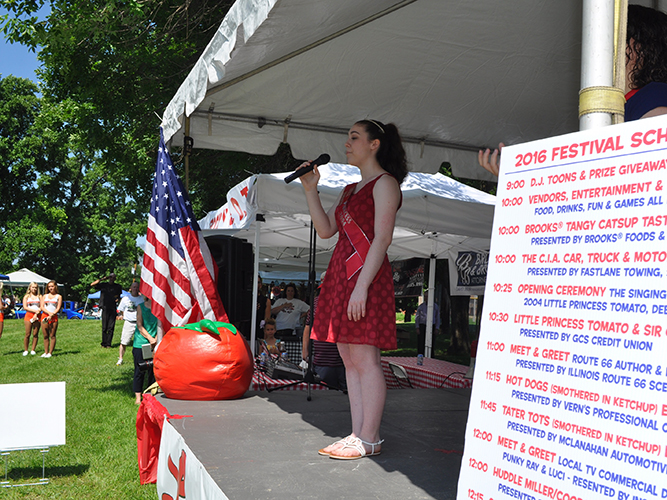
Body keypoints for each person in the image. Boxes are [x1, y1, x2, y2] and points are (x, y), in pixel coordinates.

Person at [300, 119, 407, 460]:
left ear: (375, 144)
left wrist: (362, 286)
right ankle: (358, 433)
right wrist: (309, 189)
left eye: (354, 137)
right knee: (348, 358)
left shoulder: (385, 184)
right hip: (340, 278)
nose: (347, 143)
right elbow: (327, 229)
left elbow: (382, 239)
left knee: (364, 358)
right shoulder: (349, 190)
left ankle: (370, 437)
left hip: (365, 279)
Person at [479, 4, 667, 177]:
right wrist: (519, 181)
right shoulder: (622, 105)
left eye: (615, 38)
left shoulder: (655, 95)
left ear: (638, 47)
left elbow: (644, 166)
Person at [301, 271, 347, 391]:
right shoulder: (316, 302)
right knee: (326, 394)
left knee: (347, 393)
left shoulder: (345, 300)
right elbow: (308, 326)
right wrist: (304, 349)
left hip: (345, 359)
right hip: (323, 360)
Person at [133, 295, 160, 405]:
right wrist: (150, 339)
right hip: (140, 343)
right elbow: (139, 325)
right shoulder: (140, 307)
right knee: (139, 371)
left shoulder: (159, 308)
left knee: (153, 371)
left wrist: (156, 339)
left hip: (156, 343)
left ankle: (150, 396)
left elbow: (162, 324)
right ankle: (138, 398)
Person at [90, 273, 123, 348]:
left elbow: (119, 296)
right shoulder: (104, 285)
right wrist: (102, 279)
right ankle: (103, 343)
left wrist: (117, 299)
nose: (111, 279)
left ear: (115, 279)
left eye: (113, 277)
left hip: (113, 308)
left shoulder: (117, 286)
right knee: (104, 327)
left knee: (111, 327)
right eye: (110, 277)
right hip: (105, 307)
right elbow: (92, 284)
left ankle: (108, 344)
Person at [116, 281, 144, 365]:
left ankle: (143, 358)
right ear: (131, 288)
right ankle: (120, 358)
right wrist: (124, 316)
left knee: (143, 342)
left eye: (137, 287)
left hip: (140, 323)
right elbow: (121, 310)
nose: (135, 289)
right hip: (129, 322)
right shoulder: (125, 299)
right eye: (134, 287)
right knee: (124, 341)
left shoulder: (142, 298)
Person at [40, 280, 63, 358]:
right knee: (45, 335)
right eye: (49, 286)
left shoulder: (58, 296)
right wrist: (48, 313)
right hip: (44, 316)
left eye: (52, 286)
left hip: (54, 317)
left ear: (55, 287)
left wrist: (52, 314)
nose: (50, 288)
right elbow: (42, 306)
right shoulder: (45, 296)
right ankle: (45, 351)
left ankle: (50, 352)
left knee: (52, 335)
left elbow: (58, 307)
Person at [414, 291, 441, 356]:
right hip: (422, 325)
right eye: (425, 296)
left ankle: (430, 356)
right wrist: (417, 327)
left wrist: (437, 328)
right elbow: (417, 317)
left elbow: (437, 318)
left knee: (431, 342)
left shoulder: (435, 306)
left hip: (432, 325)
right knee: (421, 342)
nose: (426, 298)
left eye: (427, 297)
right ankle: (420, 356)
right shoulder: (421, 307)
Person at [22, 282, 42, 356]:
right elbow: (25, 307)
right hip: (29, 315)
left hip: (38, 316)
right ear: (30, 288)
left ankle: (33, 349)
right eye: (33, 287)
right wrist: (34, 311)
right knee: (27, 333)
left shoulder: (39, 296)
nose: (34, 289)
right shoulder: (26, 297)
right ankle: (26, 350)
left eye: (36, 287)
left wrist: (37, 313)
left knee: (35, 333)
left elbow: (41, 306)